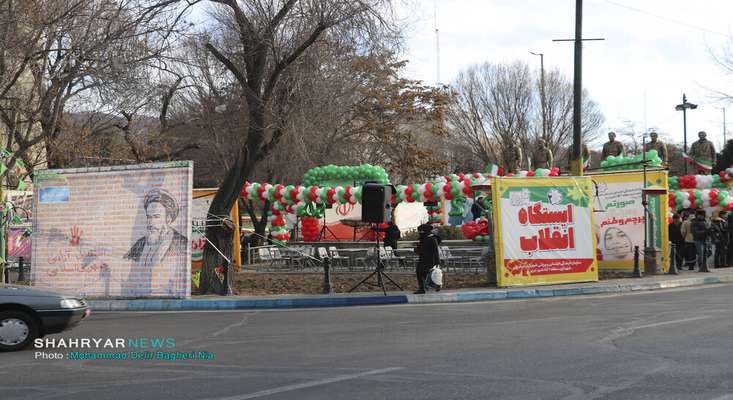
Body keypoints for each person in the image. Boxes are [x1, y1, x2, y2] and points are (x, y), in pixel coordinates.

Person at [124, 189, 188, 295]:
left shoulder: (181, 243)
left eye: (156, 217)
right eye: (148, 217)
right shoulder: (139, 244)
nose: (151, 223)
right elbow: (125, 265)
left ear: (168, 218)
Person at [414, 223, 440, 294]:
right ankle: (424, 288)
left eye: (421, 231)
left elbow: (435, 251)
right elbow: (421, 249)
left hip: (430, 260)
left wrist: (437, 261)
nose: (419, 233)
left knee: (423, 273)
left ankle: (428, 287)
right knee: (422, 273)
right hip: (423, 259)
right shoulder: (424, 238)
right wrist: (417, 249)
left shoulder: (431, 239)